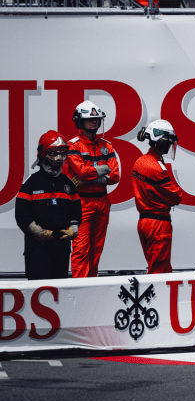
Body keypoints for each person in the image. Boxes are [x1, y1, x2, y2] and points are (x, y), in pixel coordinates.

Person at [64, 100, 119, 278]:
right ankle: (80, 290)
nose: (94, 122)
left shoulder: (107, 146)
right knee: (80, 250)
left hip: (102, 202)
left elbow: (116, 176)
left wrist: (89, 177)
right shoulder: (73, 145)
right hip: (82, 203)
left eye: (97, 119)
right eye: (90, 119)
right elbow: (81, 173)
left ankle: (92, 287)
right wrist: (103, 172)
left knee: (96, 250)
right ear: (80, 121)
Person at [16, 132, 80, 281]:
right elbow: (21, 213)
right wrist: (37, 231)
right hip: (38, 248)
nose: (59, 158)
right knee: (39, 290)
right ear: (44, 153)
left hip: (62, 247)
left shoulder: (68, 184)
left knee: (60, 291)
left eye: (62, 153)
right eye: (54, 153)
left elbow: (76, 211)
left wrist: (74, 229)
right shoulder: (31, 183)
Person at [133, 120, 183, 274]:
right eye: (168, 142)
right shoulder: (155, 167)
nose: (169, 146)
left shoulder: (140, 161)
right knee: (158, 272)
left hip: (145, 221)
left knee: (160, 268)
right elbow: (176, 196)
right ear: (160, 141)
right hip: (158, 224)